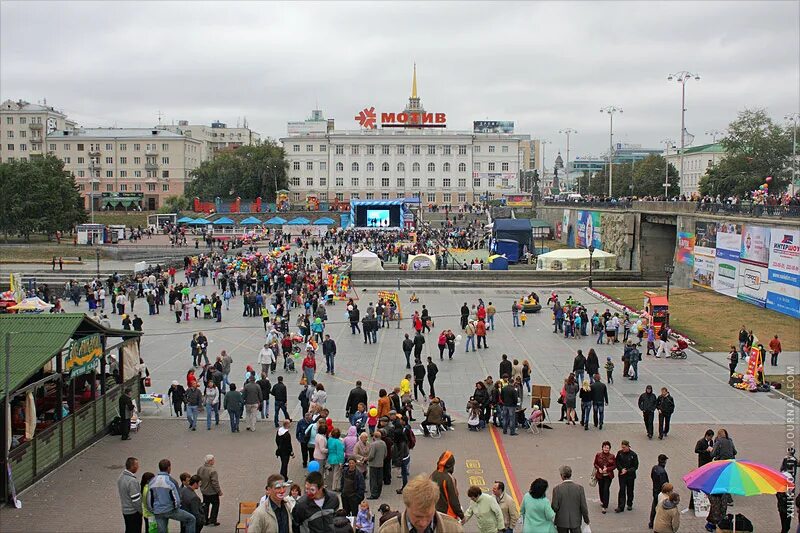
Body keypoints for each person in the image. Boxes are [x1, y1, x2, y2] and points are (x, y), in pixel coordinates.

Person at [378, 475, 464, 533]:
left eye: (428, 516)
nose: (423, 523)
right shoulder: (388, 530)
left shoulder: (454, 529)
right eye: (418, 516)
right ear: (406, 506)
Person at [147, 459, 196, 533]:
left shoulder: (152, 481)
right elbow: (177, 499)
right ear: (169, 468)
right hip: (170, 510)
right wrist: (176, 508)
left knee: (162, 531)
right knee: (191, 519)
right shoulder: (170, 481)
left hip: (158, 511)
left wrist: (153, 510)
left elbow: (149, 499)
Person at [551, 465, 590, 533]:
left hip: (561, 522)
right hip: (575, 521)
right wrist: (586, 520)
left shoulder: (557, 489)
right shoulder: (579, 488)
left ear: (562, 476)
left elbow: (555, 507)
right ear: (571, 474)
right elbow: (583, 507)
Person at [431, 450, 464, 521]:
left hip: (434, 513)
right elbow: (454, 501)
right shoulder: (449, 479)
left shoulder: (433, 474)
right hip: (447, 515)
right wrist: (461, 515)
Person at [197, 454, 222, 527]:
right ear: (210, 461)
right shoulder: (212, 470)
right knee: (215, 505)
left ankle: (205, 520)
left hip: (204, 491)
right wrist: (219, 491)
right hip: (212, 492)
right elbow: (215, 483)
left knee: (206, 505)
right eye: (213, 460)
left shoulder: (200, 468)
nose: (214, 461)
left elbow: (198, 478)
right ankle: (213, 520)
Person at [118, 457, 142, 533]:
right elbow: (136, 500)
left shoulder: (121, 477)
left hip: (125, 511)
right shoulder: (132, 481)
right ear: (132, 466)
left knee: (128, 529)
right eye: (137, 465)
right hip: (133, 512)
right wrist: (141, 511)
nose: (138, 467)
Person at [615, 440, 638, 513]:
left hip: (630, 476)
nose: (623, 449)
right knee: (622, 490)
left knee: (630, 490)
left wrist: (627, 471)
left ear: (628, 446)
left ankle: (629, 503)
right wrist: (621, 469)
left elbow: (635, 466)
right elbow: (617, 462)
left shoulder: (633, 455)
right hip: (622, 475)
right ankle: (620, 506)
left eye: (624, 447)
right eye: (622, 447)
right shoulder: (619, 453)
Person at [593, 441, 616, 514]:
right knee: (601, 489)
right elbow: (595, 463)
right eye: (605, 447)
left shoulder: (612, 456)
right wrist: (598, 468)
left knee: (606, 489)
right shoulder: (598, 455)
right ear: (602, 448)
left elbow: (614, 466)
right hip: (600, 475)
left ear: (609, 449)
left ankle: (605, 506)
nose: (606, 449)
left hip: (608, 476)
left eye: (607, 448)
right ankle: (603, 500)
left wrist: (608, 469)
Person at [648, 454, 670, 529]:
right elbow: (664, 484)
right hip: (660, 492)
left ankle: (651, 522)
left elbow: (652, 476)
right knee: (660, 509)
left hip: (655, 490)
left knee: (654, 506)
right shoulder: (662, 472)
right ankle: (657, 524)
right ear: (665, 461)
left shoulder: (654, 468)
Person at [367, 429, 387, 499]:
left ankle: (374, 494)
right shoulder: (383, 443)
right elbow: (385, 454)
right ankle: (378, 492)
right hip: (381, 464)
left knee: (373, 480)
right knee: (379, 479)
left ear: (374, 437)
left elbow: (371, 455)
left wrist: (367, 459)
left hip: (373, 464)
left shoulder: (373, 444)